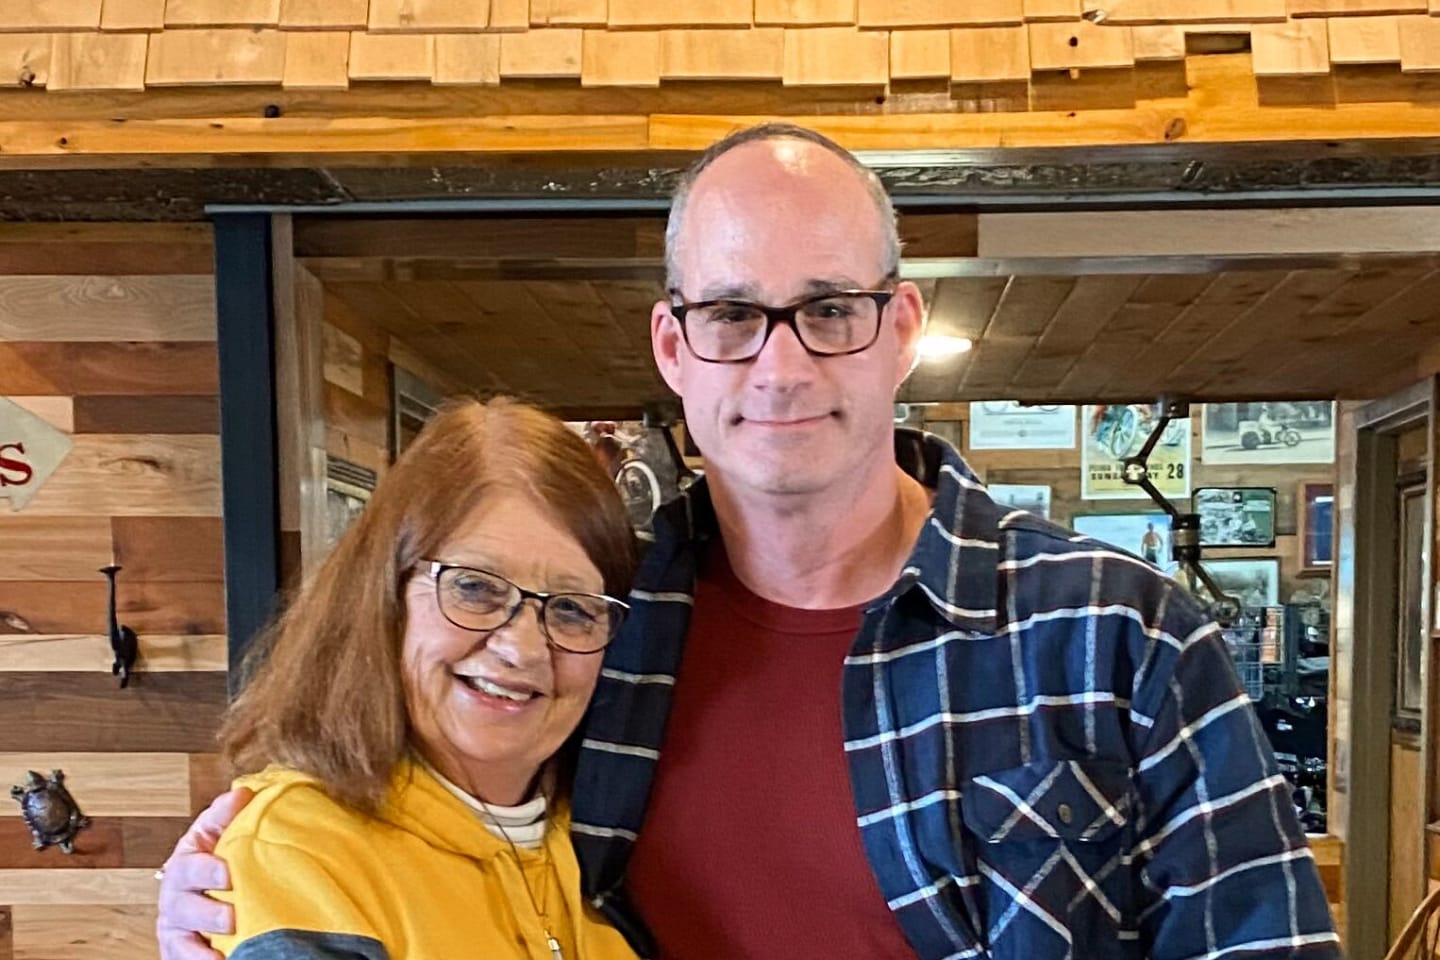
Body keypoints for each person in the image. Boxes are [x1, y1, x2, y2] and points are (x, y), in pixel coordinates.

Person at [159, 125, 1340, 960]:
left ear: (901, 328)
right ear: (674, 347)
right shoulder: (605, 631)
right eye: (733, 314)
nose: (782, 366)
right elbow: (447, 831)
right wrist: (244, 894)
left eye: (829, 310)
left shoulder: (1116, 632)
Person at [192, 397, 640, 959]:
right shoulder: (300, 852)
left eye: (573, 608)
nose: (523, 648)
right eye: (475, 587)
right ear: (385, 595)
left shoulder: (609, 841)